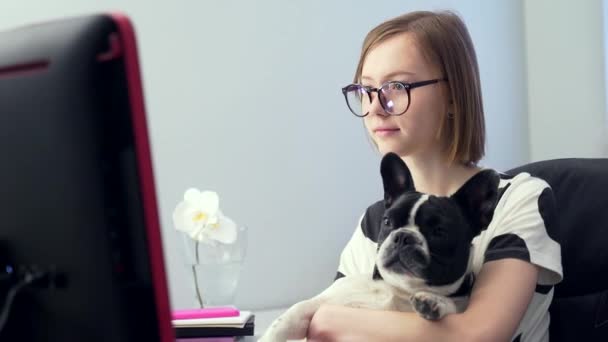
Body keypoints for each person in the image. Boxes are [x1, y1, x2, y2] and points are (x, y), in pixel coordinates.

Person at [306, 10, 563, 342]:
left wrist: (331, 318)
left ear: (454, 95)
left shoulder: (517, 200)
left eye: (396, 86)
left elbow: (477, 334)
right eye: (366, 90)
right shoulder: (375, 222)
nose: (376, 107)